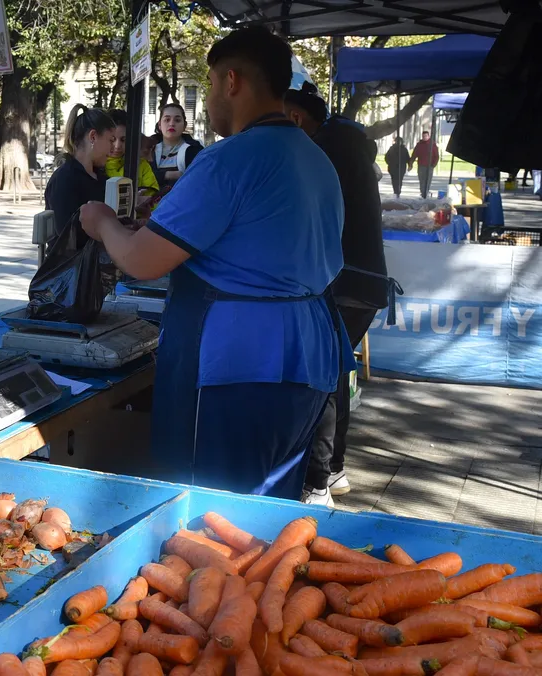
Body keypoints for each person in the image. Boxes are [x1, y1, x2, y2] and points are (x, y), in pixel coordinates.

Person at [78, 27, 354, 499]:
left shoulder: (229, 159)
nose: (205, 100)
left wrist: (103, 222)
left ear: (231, 81)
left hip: (238, 360)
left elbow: (143, 260)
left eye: (206, 85)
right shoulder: (315, 158)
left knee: (209, 509)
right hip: (311, 352)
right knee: (269, 501)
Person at [285, 82, 389, 507]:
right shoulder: (347, 139)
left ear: (294, 119)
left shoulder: (322, 149)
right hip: (365, 281)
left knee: (323, 377)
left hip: (345, 281)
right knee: (337, 373)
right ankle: (335, 469)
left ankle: (316, 483)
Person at [44, 105, 115, 248]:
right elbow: (68, 234)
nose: (113, 148)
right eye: (111, 140)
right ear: (93, 136)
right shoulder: (64, 178)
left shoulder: (101, 177)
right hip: (72, 265)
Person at [105, 109, 159, 198]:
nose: (117, 146)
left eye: (123, 140)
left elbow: (154, 199)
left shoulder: (141, 165)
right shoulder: (95, 165)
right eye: (112, 139)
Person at [151, 103, 201, 190]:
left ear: (184, 125)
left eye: (177, 120)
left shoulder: (195, 149)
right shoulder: (148, 148)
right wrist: (167, 175)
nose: (171, 124)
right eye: (167, 120)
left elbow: (199, 178)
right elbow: (140, 176)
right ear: (159, 125)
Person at [409, 130, 439, 199]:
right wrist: (411, 163)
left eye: (426, 136)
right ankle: (423, 193)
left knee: (428, 180)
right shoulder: (419, 145)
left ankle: (426, 193)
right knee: (421, 180)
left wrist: (433, 165)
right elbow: (414, 155)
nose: (424, 137)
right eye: (423, 136)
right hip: (421, 166)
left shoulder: (432, 145)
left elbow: (436, 156)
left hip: (429, 166)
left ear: (428, 136)